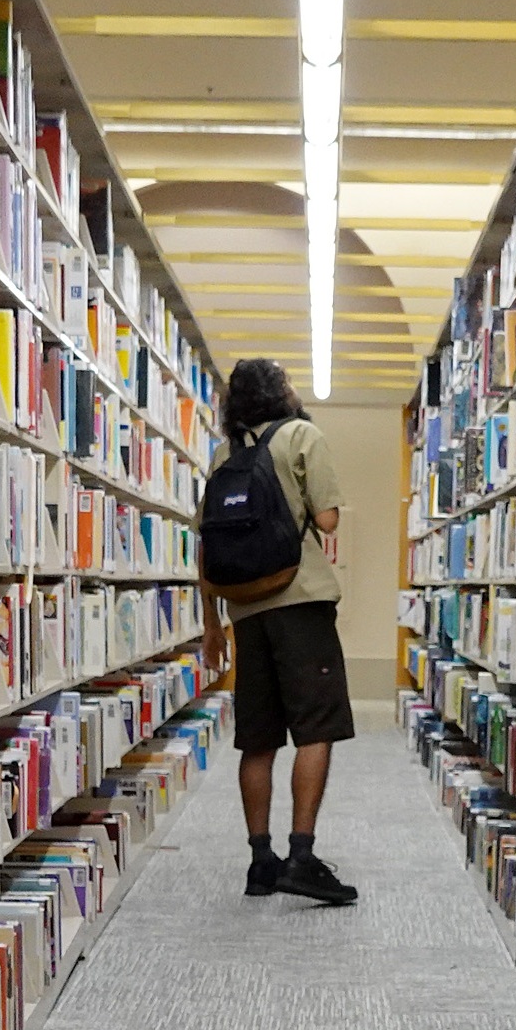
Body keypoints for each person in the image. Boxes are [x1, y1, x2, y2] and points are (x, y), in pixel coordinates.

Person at [199, 358, 358, 906]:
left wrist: (211, 625)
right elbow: (330, 518)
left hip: (244, 610)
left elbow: (208, 549)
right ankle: (302, 856)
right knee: (316, 728)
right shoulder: (301, 435)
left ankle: (260, 861)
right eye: (288, 380)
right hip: (300, 603)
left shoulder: (225, 455)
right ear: (278, 392)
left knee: (258, 739)